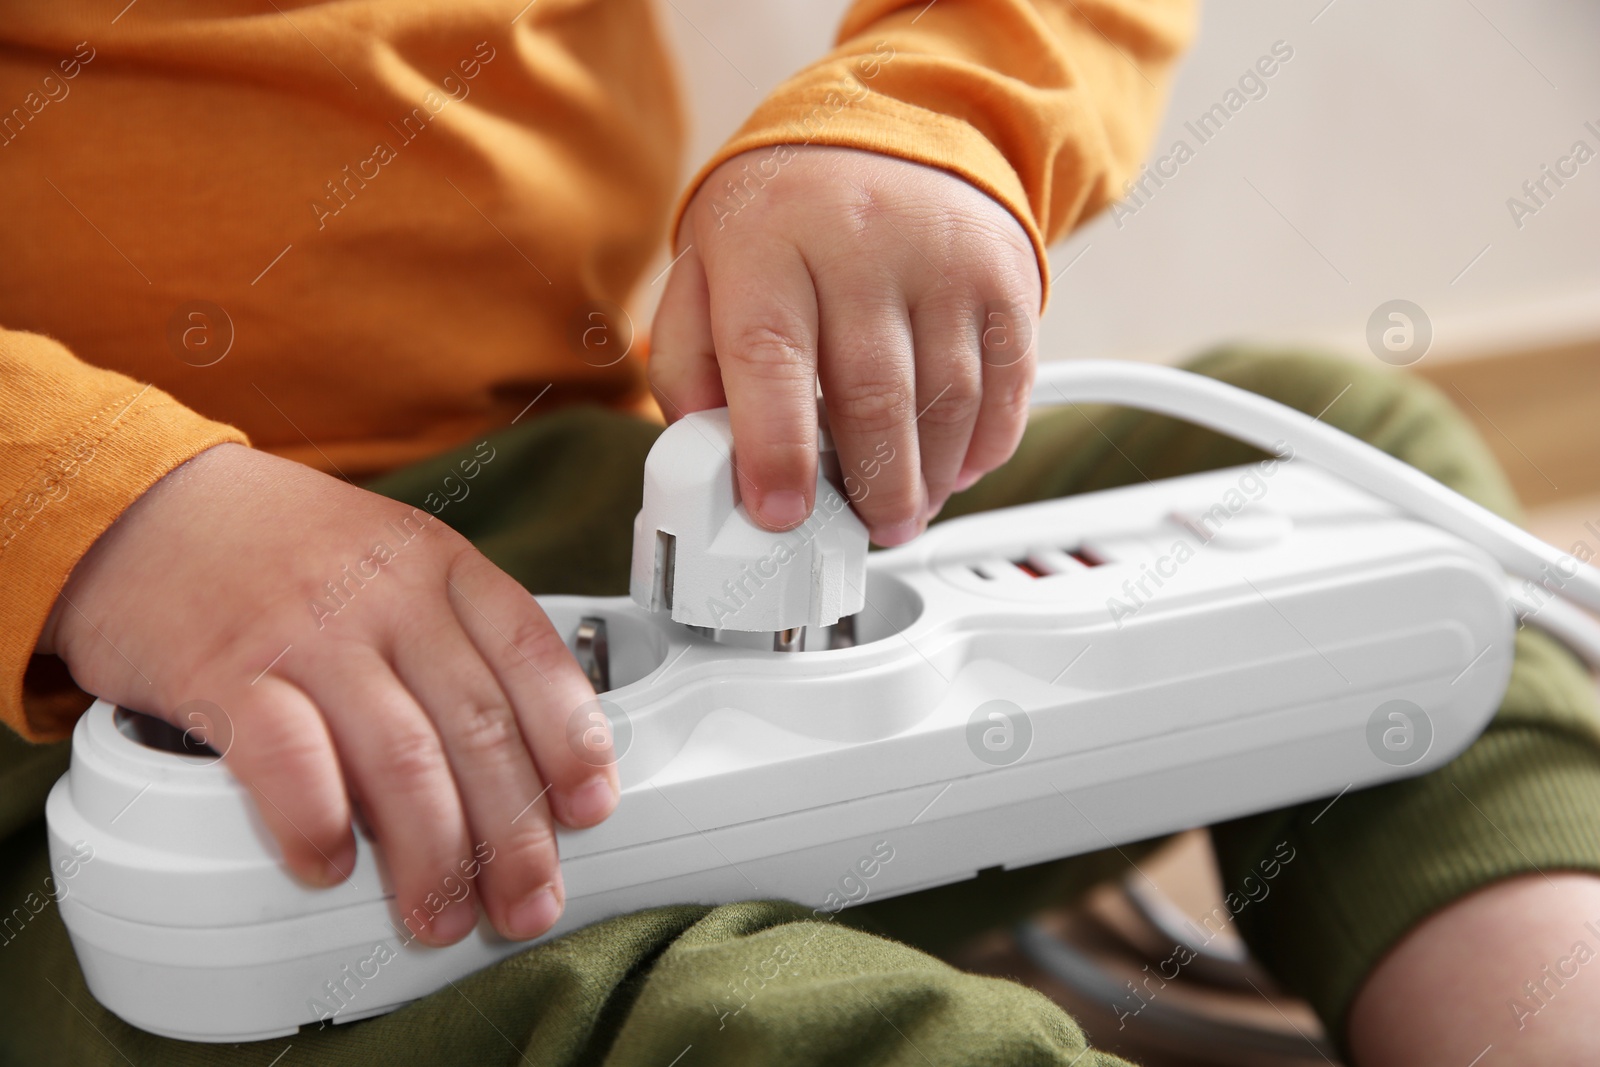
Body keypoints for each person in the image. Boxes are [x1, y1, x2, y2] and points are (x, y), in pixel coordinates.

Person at [2, 2, 1598, 1064]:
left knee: (1377, 502)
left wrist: (927, 115)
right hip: (64, 662)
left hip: (541, 479)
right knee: (646, 1011)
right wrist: (95, 504)